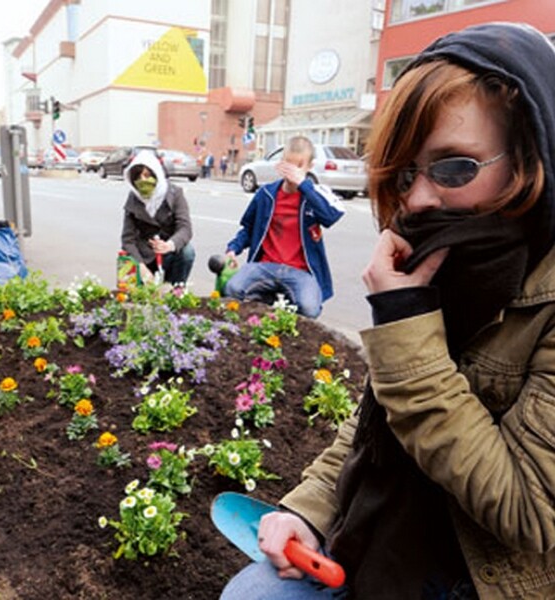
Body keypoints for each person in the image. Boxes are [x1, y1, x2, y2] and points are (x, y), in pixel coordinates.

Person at [221, 22, 555, 599]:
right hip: (379, 537)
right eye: (405, 173)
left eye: (455, 167)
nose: (420, 198)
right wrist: (308, 512)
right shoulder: (448, 260)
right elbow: (376, 424)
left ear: (531, 153)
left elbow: (529, 512)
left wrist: (405, 324)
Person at [222, 136, 344, 318]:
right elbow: (248, 228)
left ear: (309, 167)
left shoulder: (314, 195)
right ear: (280, 163)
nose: (292, 171)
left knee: (309, 309)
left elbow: (330, 217)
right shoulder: (266, 194)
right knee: (232, 289)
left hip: (300, 271)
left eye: (299, 165)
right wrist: (233, 249)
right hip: (265, 265)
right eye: (288, 164)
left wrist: (304, 185)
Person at [121, 149, 195, 285]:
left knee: (187, 252)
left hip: (168, 254)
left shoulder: (175, 193)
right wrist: (140, 265)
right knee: (139, 299)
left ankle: (176, 289)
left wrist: (170, 245)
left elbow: (185, 228)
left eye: (147, 175)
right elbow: (127, 239)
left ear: (157, 174)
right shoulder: (133, 198)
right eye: (138, 177)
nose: (143, 180)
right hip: (144, 257)